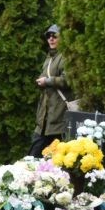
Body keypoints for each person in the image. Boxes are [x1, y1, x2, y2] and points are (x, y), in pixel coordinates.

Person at [29, 24, 69, 157]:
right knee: (33, 156)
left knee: (55, 160)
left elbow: (67, 80)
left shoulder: (65, 56)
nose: (51, 39)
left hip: (58, 117)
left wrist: (47, 81)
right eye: (48, 36)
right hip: (44, 119)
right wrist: (42, 80)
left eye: (54, 36)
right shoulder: (49, 57)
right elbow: (45, 76)